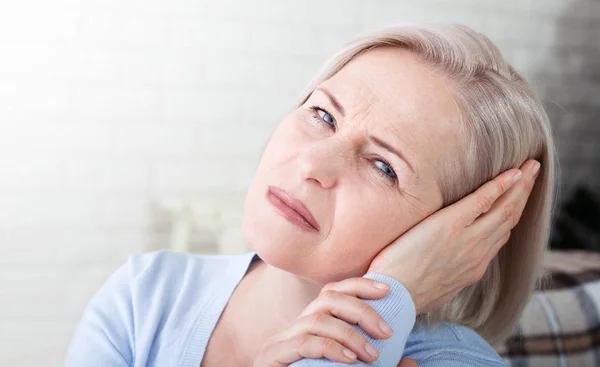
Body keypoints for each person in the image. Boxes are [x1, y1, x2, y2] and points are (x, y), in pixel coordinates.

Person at [65, 23, 556, 367]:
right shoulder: (145, 295)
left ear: (461, 230)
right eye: (323, 116)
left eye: (384, 167)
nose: (312, 164)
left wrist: (379, 309)